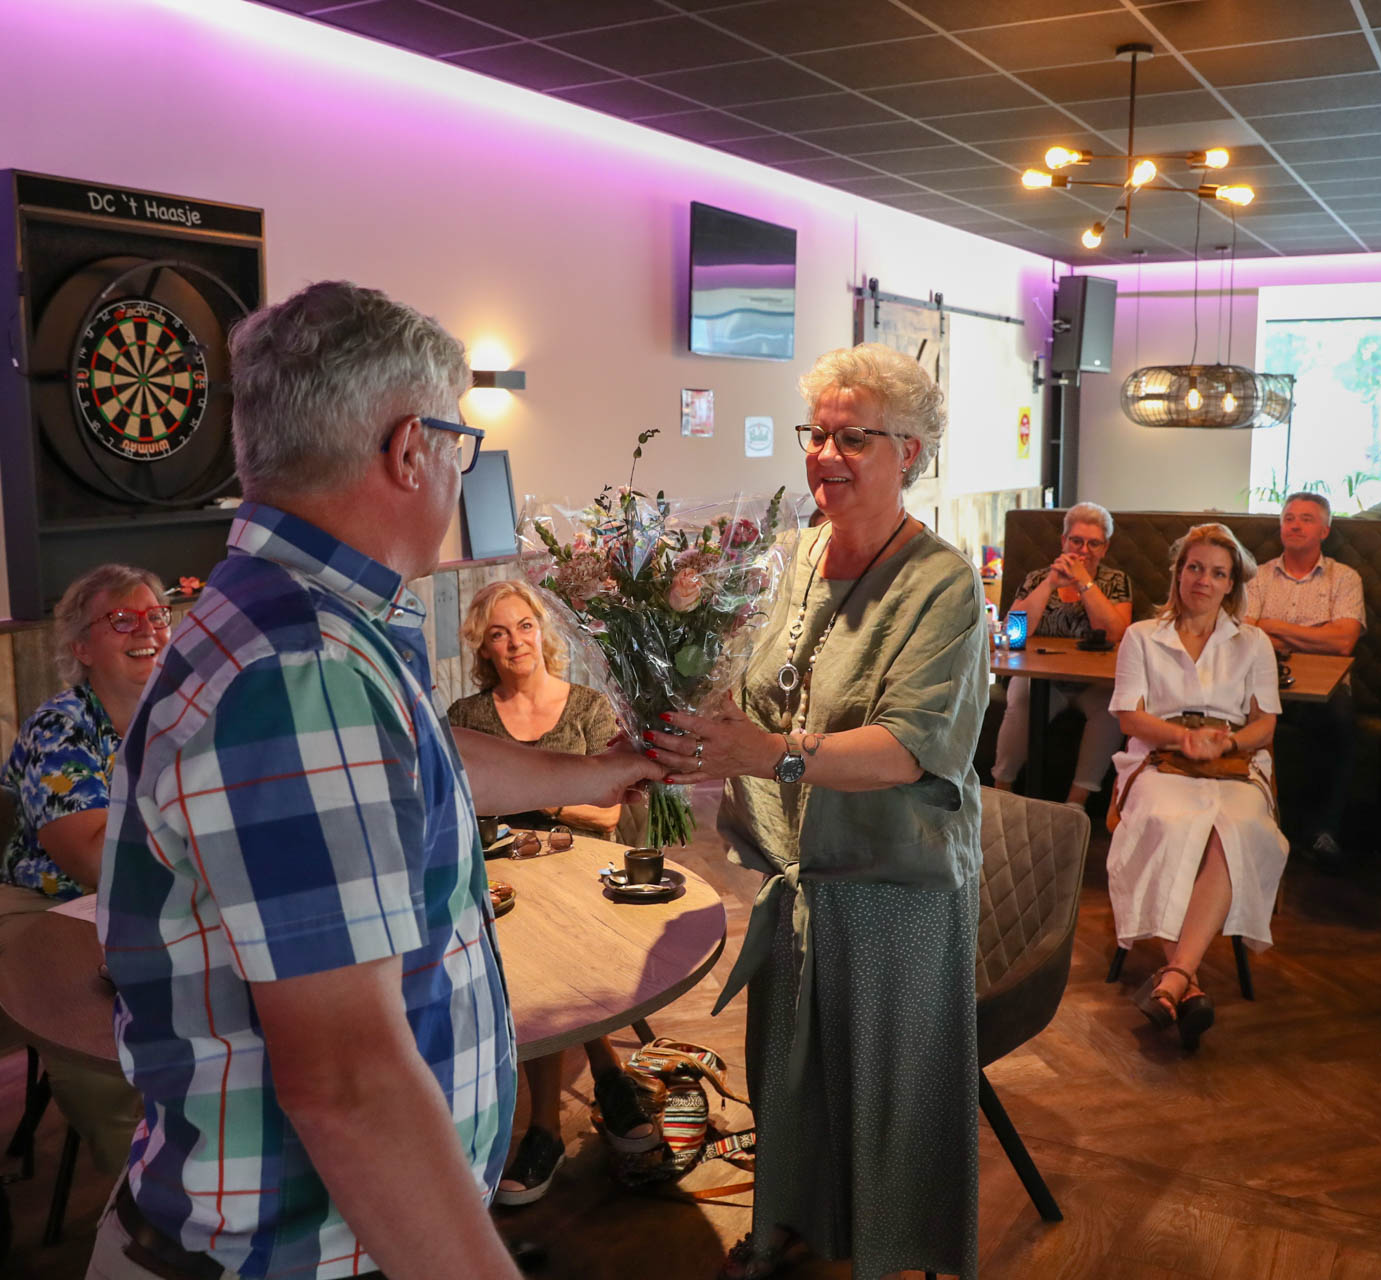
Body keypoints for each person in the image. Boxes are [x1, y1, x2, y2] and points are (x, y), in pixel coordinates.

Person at [90, 281, 662, 1280]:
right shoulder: (301, 667)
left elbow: (417, 762)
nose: (455, 470)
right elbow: (348, 1083)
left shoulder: (300, 617)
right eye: (459, 444)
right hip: (306, 1254)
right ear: (410, 450)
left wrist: (600, 769)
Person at [650, 343, 987, 1280]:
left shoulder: (943, 583)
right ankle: (784, 1228)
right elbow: (752, 693)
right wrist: (681, 691)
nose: (826, 455)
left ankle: (889, 1254)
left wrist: (763, 753)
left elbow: (908, 749)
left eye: (854, 439)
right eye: (818, 434)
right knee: (787, 1075)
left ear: (909, 452)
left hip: (891, 884)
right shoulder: (791, 558)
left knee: (884, 1098)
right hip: (791, 873)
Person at [446, 580, 658, 1204]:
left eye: (524, 626)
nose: (515, 642)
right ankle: (609, 1075)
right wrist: (563, 790)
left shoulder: (587, 706)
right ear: (483, 647)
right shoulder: (467, 717)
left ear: (543, 631)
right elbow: (462, 810)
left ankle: (545, 1132)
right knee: (526, 944)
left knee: (543, 961)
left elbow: (607, 814)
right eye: (498, 633)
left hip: (586, 873)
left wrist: (523, 792)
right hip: (505, 878)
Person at [0, 563, 163, 1174]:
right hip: (51, 906)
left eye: (156, 615)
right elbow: (89, 857)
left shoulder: (187, 715)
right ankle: (142, 1201)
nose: (148, 630)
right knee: (101, 1060)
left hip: (160, 899)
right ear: (82, 647)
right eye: (123, 619)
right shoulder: (61, 726)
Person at [1107, 523, 1284, 1052]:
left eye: (1217, 573)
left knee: (1237, 825)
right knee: (1170, 820)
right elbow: (1130, 718)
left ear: (1232, 584)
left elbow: (1265, 725)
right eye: (1195, 568)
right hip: (1161, 756)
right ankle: (1187, 978)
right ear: (1178, 574)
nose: (1204, 580)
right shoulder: (1142, 635)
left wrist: (1226, 743)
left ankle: (1176, 978)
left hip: (1233, 759)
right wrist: (1183, 739)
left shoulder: (1254, 642)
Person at [1242, 492, 1364, 864]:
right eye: (1289, 518)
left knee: (1341, 721)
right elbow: (1245, 635)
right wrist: (1317, 634)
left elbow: (1343, 642)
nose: (1295, 525)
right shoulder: (1257, 576)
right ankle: (1249, 824)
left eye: (1306, 519)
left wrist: (1274, 627)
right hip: (1263, 682)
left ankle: (1325, 830)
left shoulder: (1345, 578)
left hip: (1328, 691)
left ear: (1324, 530)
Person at [991, 501, 1133, 806]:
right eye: (1077, 541)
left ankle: (1075, 803)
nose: (1084, 550)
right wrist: (1049, 584)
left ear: (1105, 548)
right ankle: (1001, 790)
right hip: (1041, 678)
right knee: (1022, 701)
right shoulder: (1037, 578)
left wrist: (1085, 583)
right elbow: (1014, 632)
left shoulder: (1115, 581)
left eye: (1094, 543)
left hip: (1094, 683)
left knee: (1111, 710)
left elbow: (1116, 633)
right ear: (1063, 542)